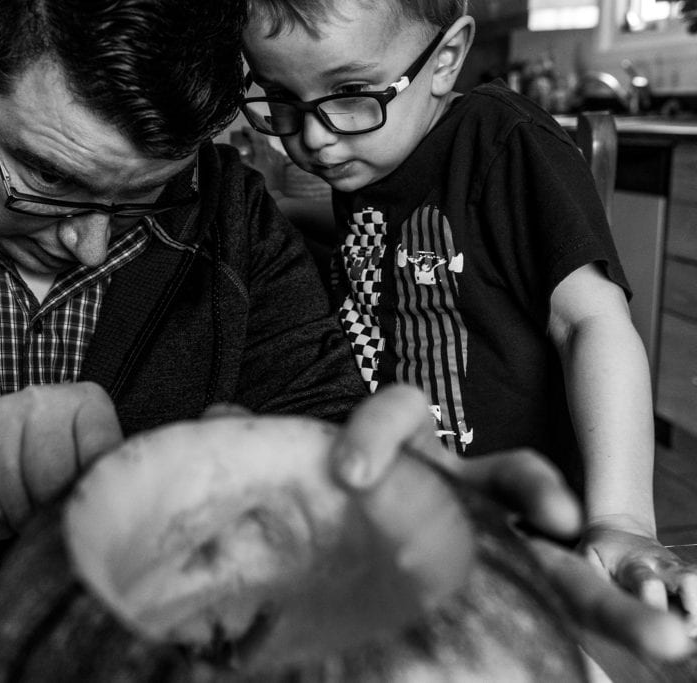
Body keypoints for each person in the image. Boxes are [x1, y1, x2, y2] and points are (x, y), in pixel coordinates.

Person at [0, 0, 690, 662]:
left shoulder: (229, 210)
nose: (84, 246)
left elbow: (330, 430)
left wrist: (430, 534)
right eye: (46, 180)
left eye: (138, 199)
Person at [240, 0, 697, 616]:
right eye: (280, 97)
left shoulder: (502, 142)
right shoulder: (374, 152)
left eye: (349, 91)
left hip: (522, 546)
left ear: (445, 60)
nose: (314, 136)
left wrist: (622, 518)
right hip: (410, 541)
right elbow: (388, 235)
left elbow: (591, 324)